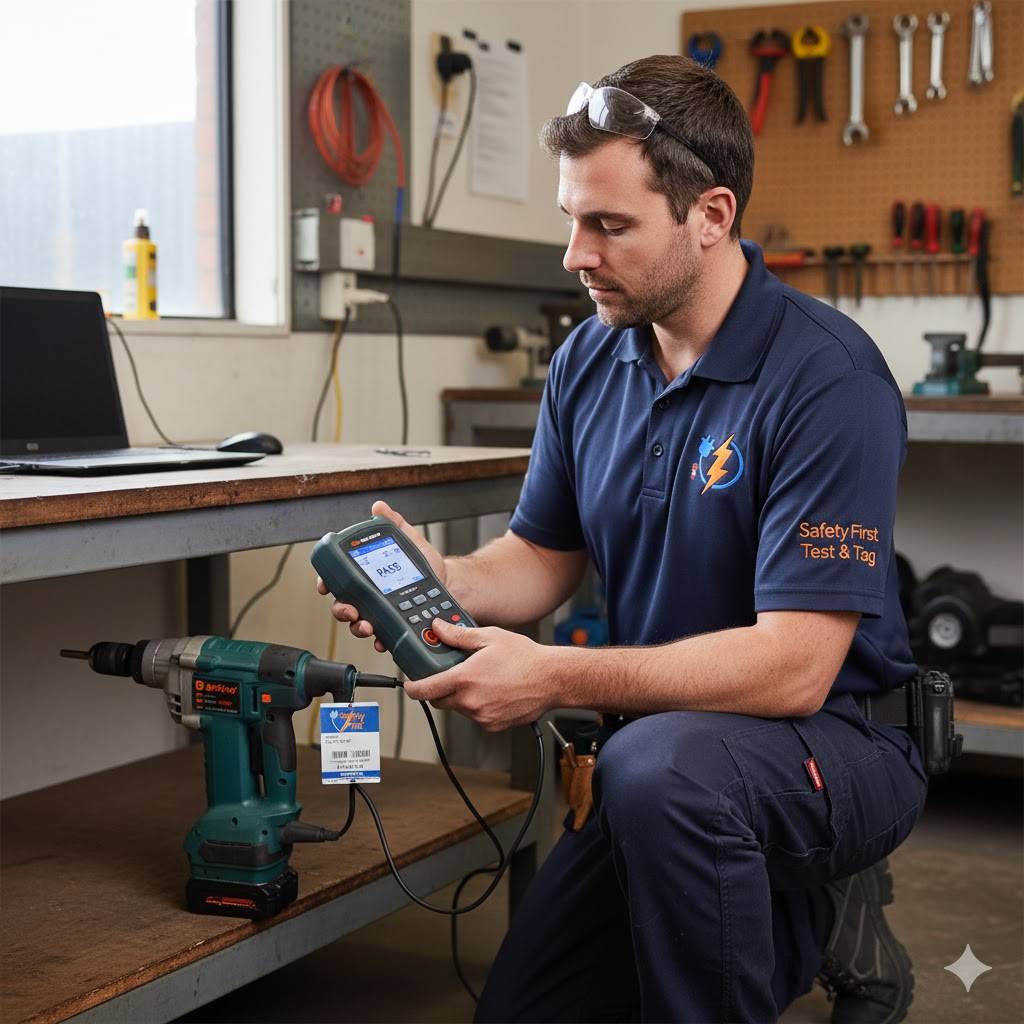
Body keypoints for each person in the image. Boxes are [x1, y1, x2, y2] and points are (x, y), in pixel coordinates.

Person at [318, 55, 927, 1024]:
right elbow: (542, 556)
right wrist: (449, 578)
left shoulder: (826, 378)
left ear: (711, 215)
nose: (575, 254)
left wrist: (553, 675)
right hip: (668, 759)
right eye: (571, 219)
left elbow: (794, 670)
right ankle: (796, 909)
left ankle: (819, 891)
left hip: (835, 740)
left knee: (655, 777)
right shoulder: (589, 358)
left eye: (609, 225)